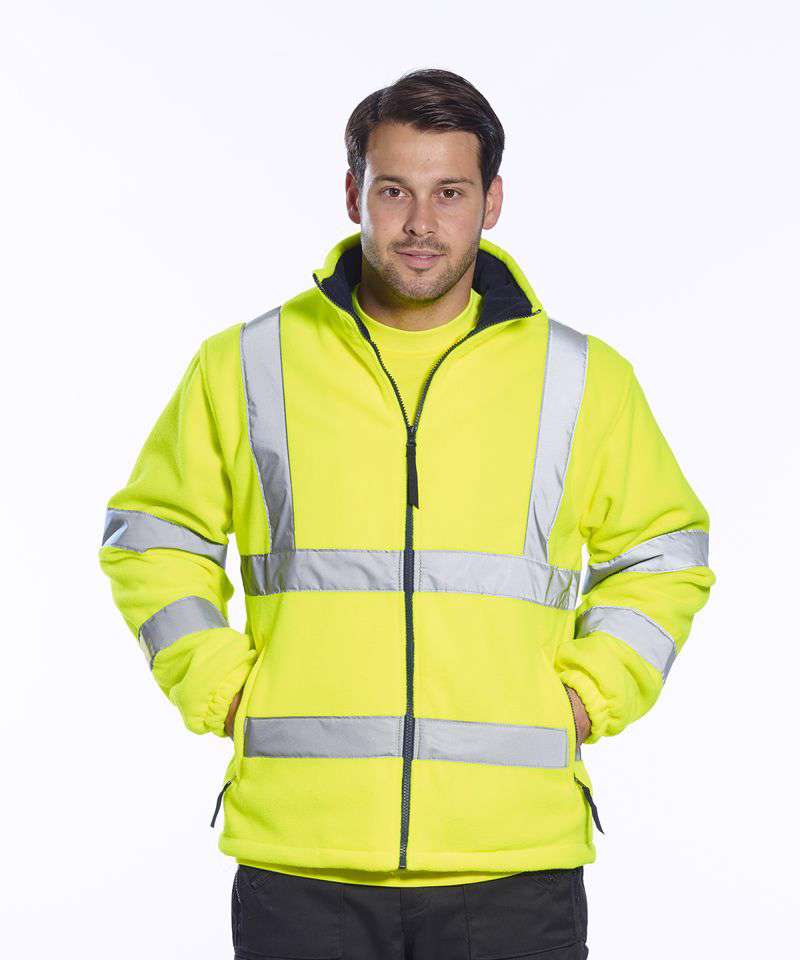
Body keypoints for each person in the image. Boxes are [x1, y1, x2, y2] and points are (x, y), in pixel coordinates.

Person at [98, 67, 715, 959]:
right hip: (302, 859)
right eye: (394, 191)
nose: (421, 223)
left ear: (492, 201)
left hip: (513, 863)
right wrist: (223, 688)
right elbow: (153, 537)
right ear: (354, 194)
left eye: (450, 192)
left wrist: (587, 697)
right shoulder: (247, 363)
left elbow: (664, 552)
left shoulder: (584, 378)